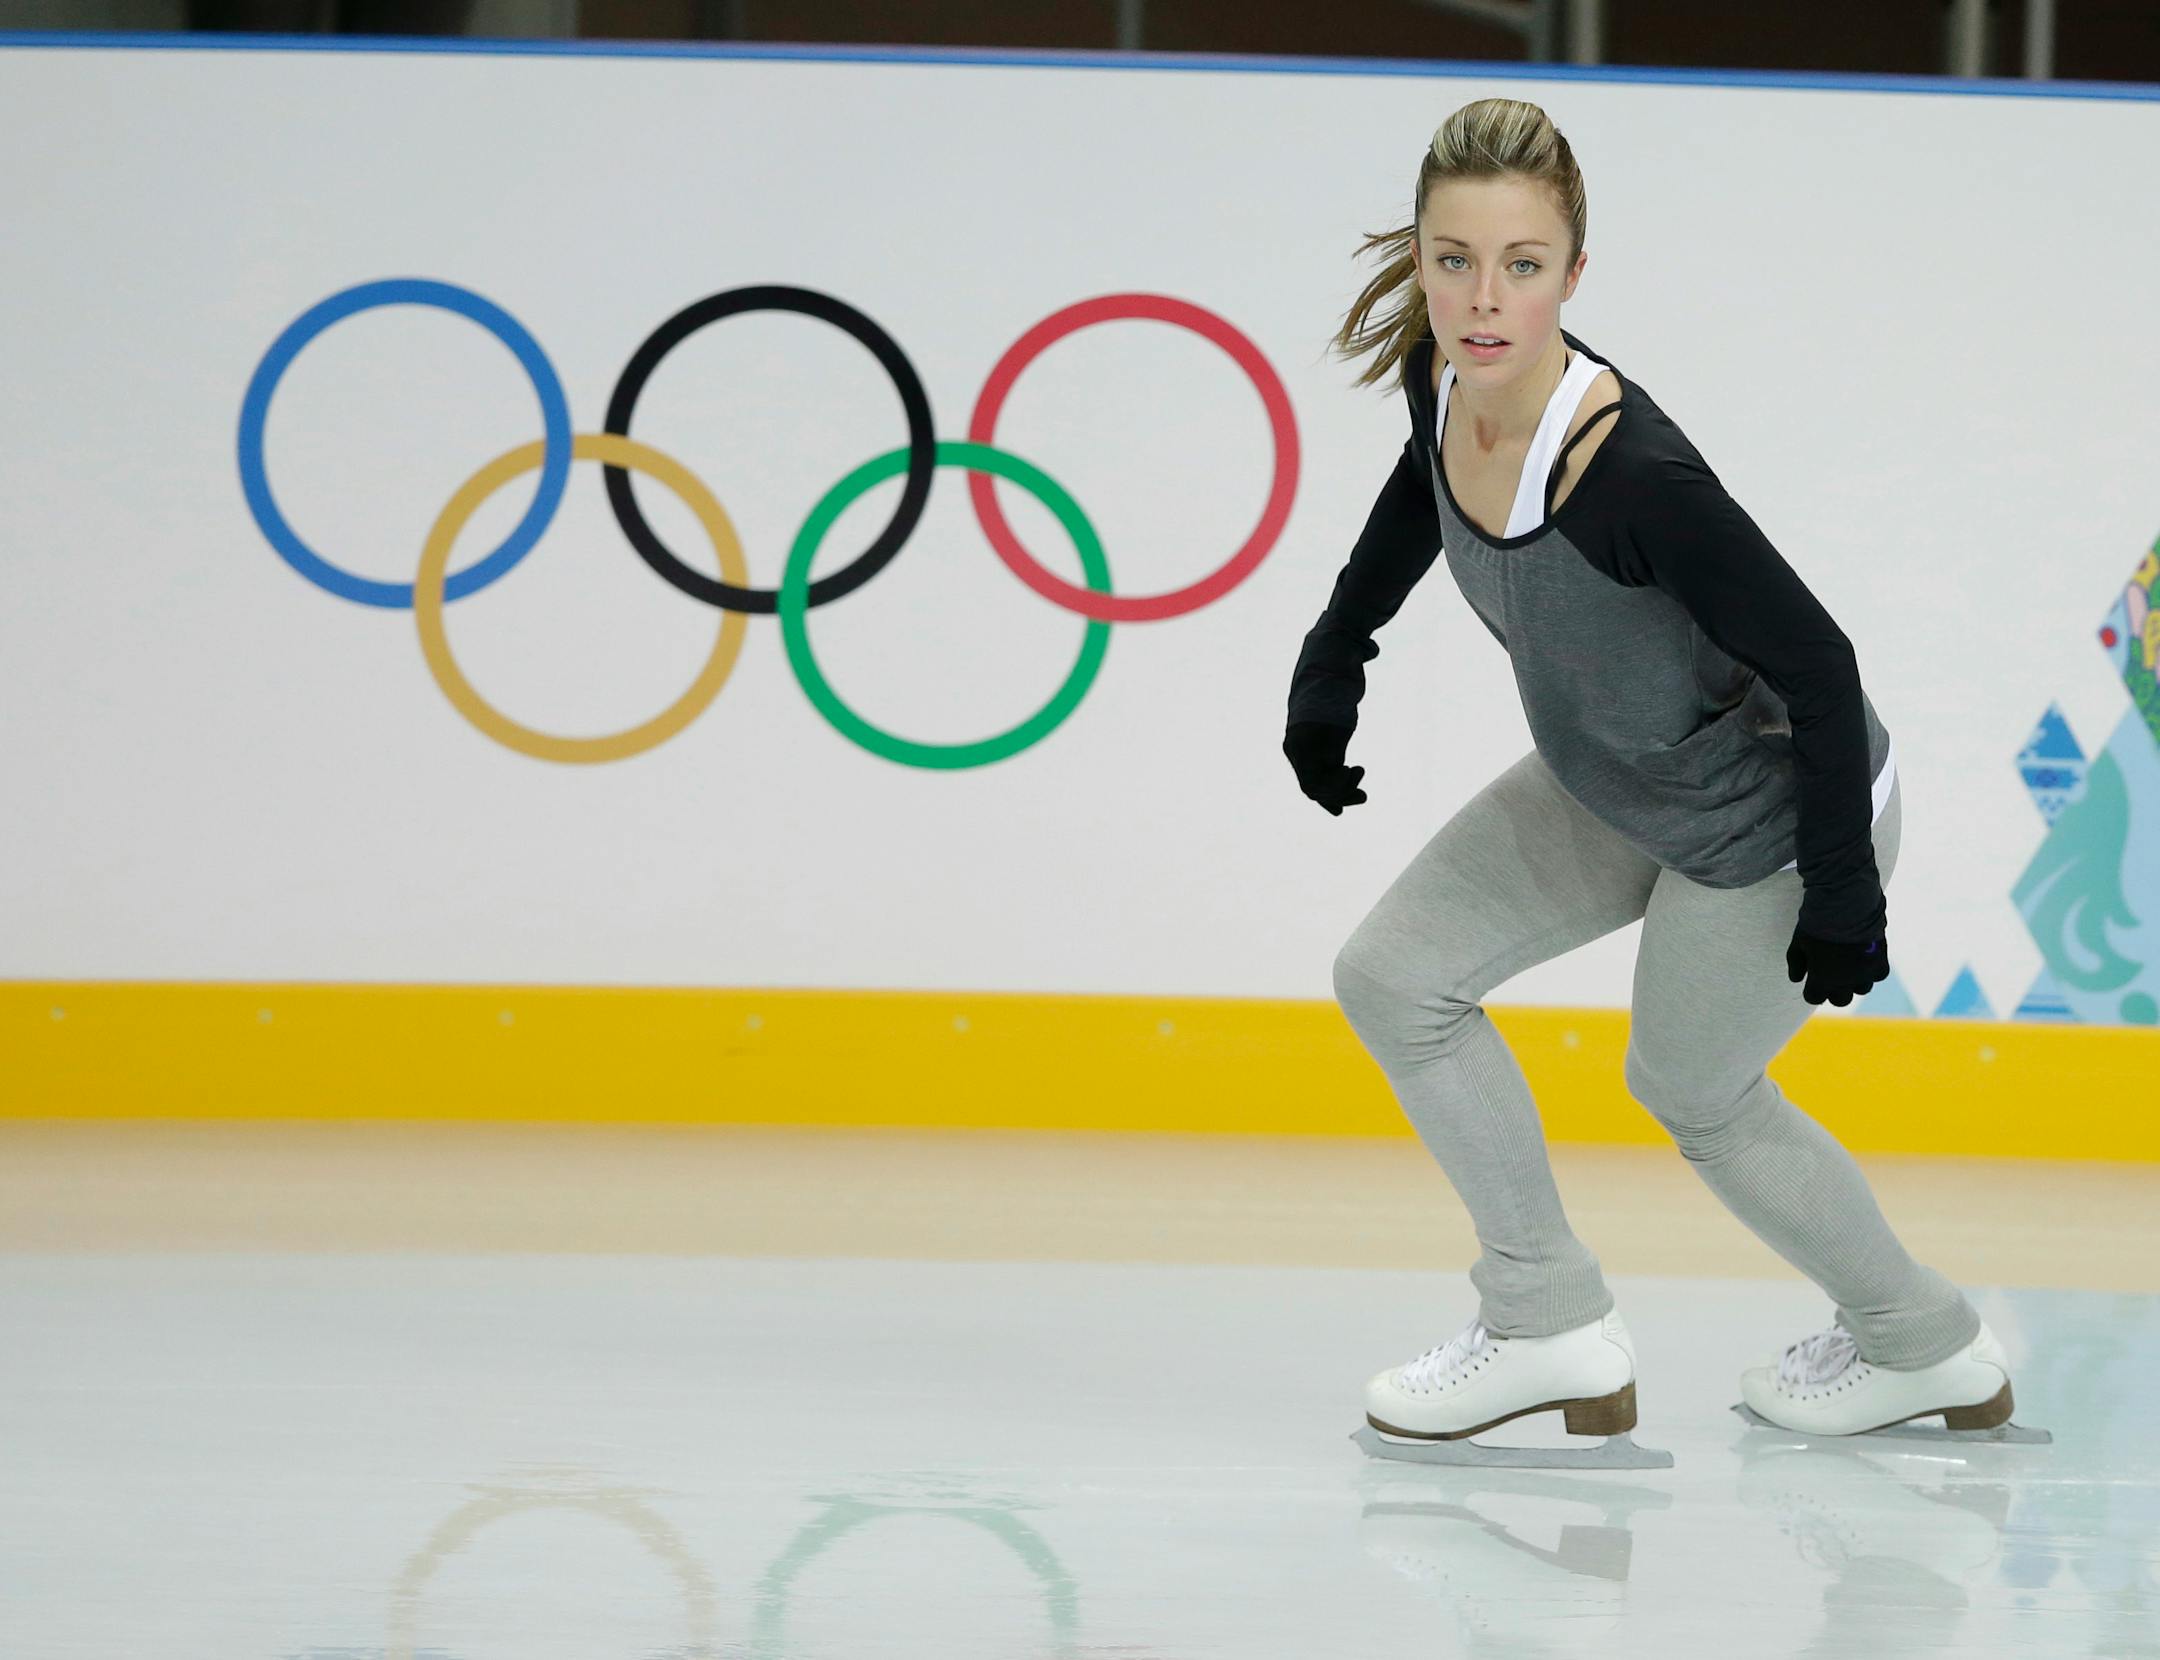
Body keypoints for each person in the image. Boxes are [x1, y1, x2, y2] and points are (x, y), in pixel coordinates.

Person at [1285, 97, 2019, 1443]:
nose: (1484, 299)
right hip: (1614, 776)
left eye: (1521, 265)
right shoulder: (1442, 372)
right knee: (1394, 979)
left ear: (1575, 272)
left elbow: (1818, 659)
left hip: (1774, 814)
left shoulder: (1633, 474)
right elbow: (1424, 483)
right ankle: (1545, 1321)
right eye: (1454, 260)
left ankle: (1924, 1346)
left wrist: (1848, 888)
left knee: (1695, 1091)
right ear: (1421, 261)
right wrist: (1339, 651)